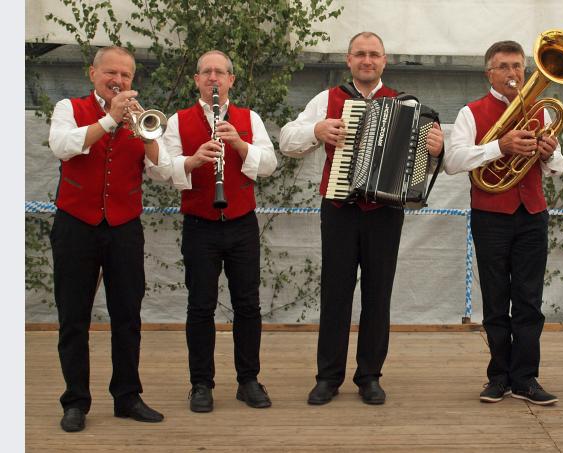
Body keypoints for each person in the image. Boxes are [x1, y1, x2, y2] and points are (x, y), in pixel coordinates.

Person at [279, 31, 444, 405]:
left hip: (385, 212)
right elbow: (288, 140)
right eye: (360, 54)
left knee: (378, 294)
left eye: (374, 55)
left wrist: (437, 148)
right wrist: (316, 131)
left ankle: (370, 375)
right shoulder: (327, 99)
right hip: (338, 208)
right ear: (348, 60)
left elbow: (426, 162)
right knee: (335, 293)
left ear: (384, 61)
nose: (367, 60)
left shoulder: (406, 104)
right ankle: (328, 377)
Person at [48, 45, 170, 432]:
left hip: (123, 227)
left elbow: (162, 172)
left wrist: (146, 134)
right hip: (75, 225)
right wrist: (109, 120)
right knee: (73, 317)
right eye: (111, 74)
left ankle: (127, 396)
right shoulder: (69, 109)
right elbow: (63, 146)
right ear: (93, 74)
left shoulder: (140, 117)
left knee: (127, 316)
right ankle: (75, 402)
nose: (118, 81)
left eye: (126, 76)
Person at [444, 40, 563, 405]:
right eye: (505, 67)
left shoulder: (541, 112)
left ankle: (526, 378)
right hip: (490, 215)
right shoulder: (471, 112)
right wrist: (501, 146)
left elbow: (558, 167)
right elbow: (453, 161)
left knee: (529, 300)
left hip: (532, 214)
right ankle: (498, 377)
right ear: (489, 73)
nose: (513, 74)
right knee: (496, 301)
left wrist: (549, 154)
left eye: (518, 66)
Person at [161, 50, 278, 413]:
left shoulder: (249, 118)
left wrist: (239, 144)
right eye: (206, 72)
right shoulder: (177, 121)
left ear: (231, 80)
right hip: (199, 225)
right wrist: (194, 161)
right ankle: (201, 384)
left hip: (242, 223)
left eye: (220, 72)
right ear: (197, 80)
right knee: (200, 306)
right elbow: (161, 168)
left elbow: (269, 164)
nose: (214, 78)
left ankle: (248, 380)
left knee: (248, 305)